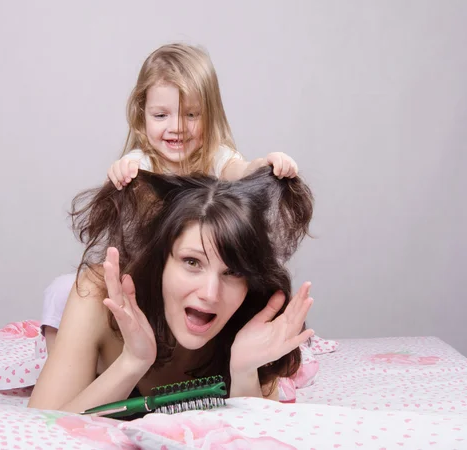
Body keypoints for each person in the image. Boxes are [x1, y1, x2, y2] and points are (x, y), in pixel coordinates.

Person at [42, 43, 300, 351]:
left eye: (191, 115)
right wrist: (124, 171)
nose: (176, 127)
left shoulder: (215, 157)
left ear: (211, 115)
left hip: (195, 283)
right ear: (142, 117)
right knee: (62, 292)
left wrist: (266, 165)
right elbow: (128, 180)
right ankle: (63, 365)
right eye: (161, 115)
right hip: (143, 276)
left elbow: (240, 169)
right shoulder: (143, 165)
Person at [28, 166, 315, 413]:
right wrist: (132, 362)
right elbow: (38, 431)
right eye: (192, 262)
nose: (210, 293)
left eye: (233, 272)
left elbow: (255, 439)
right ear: (160, 262)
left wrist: (243, 375)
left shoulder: (252, 317)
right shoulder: (97, 295)